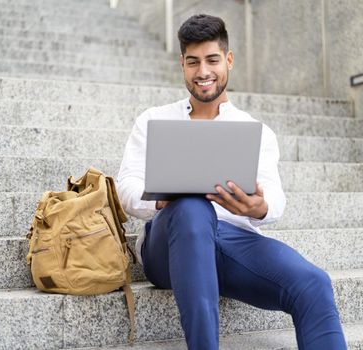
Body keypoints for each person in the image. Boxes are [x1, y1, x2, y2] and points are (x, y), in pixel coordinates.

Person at [117, 14, 347, 350]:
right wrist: (160, 199)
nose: (203, 72)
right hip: (169, 242)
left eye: (212, 60)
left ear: (229, 60)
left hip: (232, 242)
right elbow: (126, 187)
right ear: (182, 64)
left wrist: (259, 206)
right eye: (193, 62)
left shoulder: (254, 131)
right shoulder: (154, 120)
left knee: (313, 283)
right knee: (193, 207)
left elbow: (275, 199)